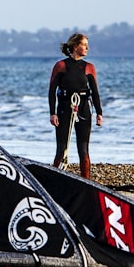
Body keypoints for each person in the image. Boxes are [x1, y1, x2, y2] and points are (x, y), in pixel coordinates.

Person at [48, 33, 103, 178]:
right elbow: (52, 91)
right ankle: (54, 179)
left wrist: (99, 113)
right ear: (75, 46)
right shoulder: (61, 65)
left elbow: (95, 92)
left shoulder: (89, 67)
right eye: (84, 45)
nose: (87, 48)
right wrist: (52, 113)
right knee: (62, 149)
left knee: (83, 150)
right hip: (65, 108)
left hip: (84, 108)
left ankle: (87, 182)